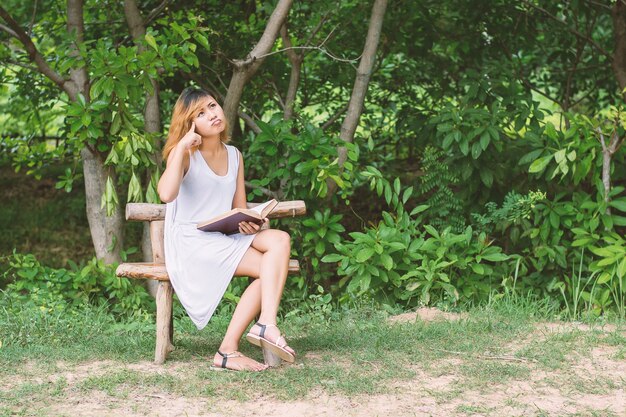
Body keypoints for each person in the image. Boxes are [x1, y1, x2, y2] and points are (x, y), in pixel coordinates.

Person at [157, 87, 295, 371]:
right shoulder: (185, 155)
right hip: (191, 241)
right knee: (268, 271)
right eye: (201, 114)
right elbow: (166, 194)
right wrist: (181, 146)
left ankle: (255, 331)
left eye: (213, 106)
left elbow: (238, 207)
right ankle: (245, 339)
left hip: (222, 237)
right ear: (190, 123)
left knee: (279, 239)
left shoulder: (234, 155)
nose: (212, 115)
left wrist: (251, 222)